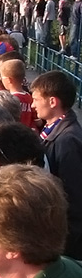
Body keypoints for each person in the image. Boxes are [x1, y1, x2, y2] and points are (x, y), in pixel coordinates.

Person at [30, 70, 82, 259]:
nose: (33, 105)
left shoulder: (67, 141)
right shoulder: (55, 131)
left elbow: (72, 196)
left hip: (68, 240)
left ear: (52, 101)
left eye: (36, 99)